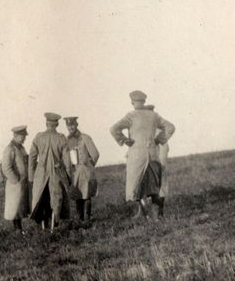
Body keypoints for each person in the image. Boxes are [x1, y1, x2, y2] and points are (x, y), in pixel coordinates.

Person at [110, 91, 175, 219]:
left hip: (136, 157)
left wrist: (125, 141)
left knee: (138, 187)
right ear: (144, 102)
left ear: (132, 102)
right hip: (152, 155)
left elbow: (113, 129)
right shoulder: (154, 115)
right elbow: (171, 127)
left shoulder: (131, 116)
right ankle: (157, 218)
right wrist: (158, 140)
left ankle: (147, 217)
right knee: (154, 187)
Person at [29, 112, 72, 231]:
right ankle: (53, 228)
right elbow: (67, 161)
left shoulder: (38, 137)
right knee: (56, 200)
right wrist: (68, 176)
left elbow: (32, 158)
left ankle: (43, 228)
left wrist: (31, 177)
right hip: (57, 174)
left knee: (41, 200)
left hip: (40, 174)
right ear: (57, 124)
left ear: (46, 123)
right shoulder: (61, 138)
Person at [64, 117, 100, 222]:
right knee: (77, 196)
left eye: (72, 125)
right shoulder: (66, 141)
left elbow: (95, 154)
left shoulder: (85, 138)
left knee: (86, 195)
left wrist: (89, 166)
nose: (70, 127)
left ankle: (87, 218)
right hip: (74, 173)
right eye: (68, 126)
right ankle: (80, 220)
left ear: (76, 125)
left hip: (84, 171)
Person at [2, 125, 30, 234]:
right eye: (22, 136)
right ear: (15, 136)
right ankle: (17, 230)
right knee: (14, 208)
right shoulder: (10, 149)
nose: (24, 138)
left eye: (24, 136)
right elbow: (6, 167)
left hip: (22, 183)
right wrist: (15, 179)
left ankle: (19, 229)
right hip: (15, 184)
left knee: (20, 207)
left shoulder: (21, 148)